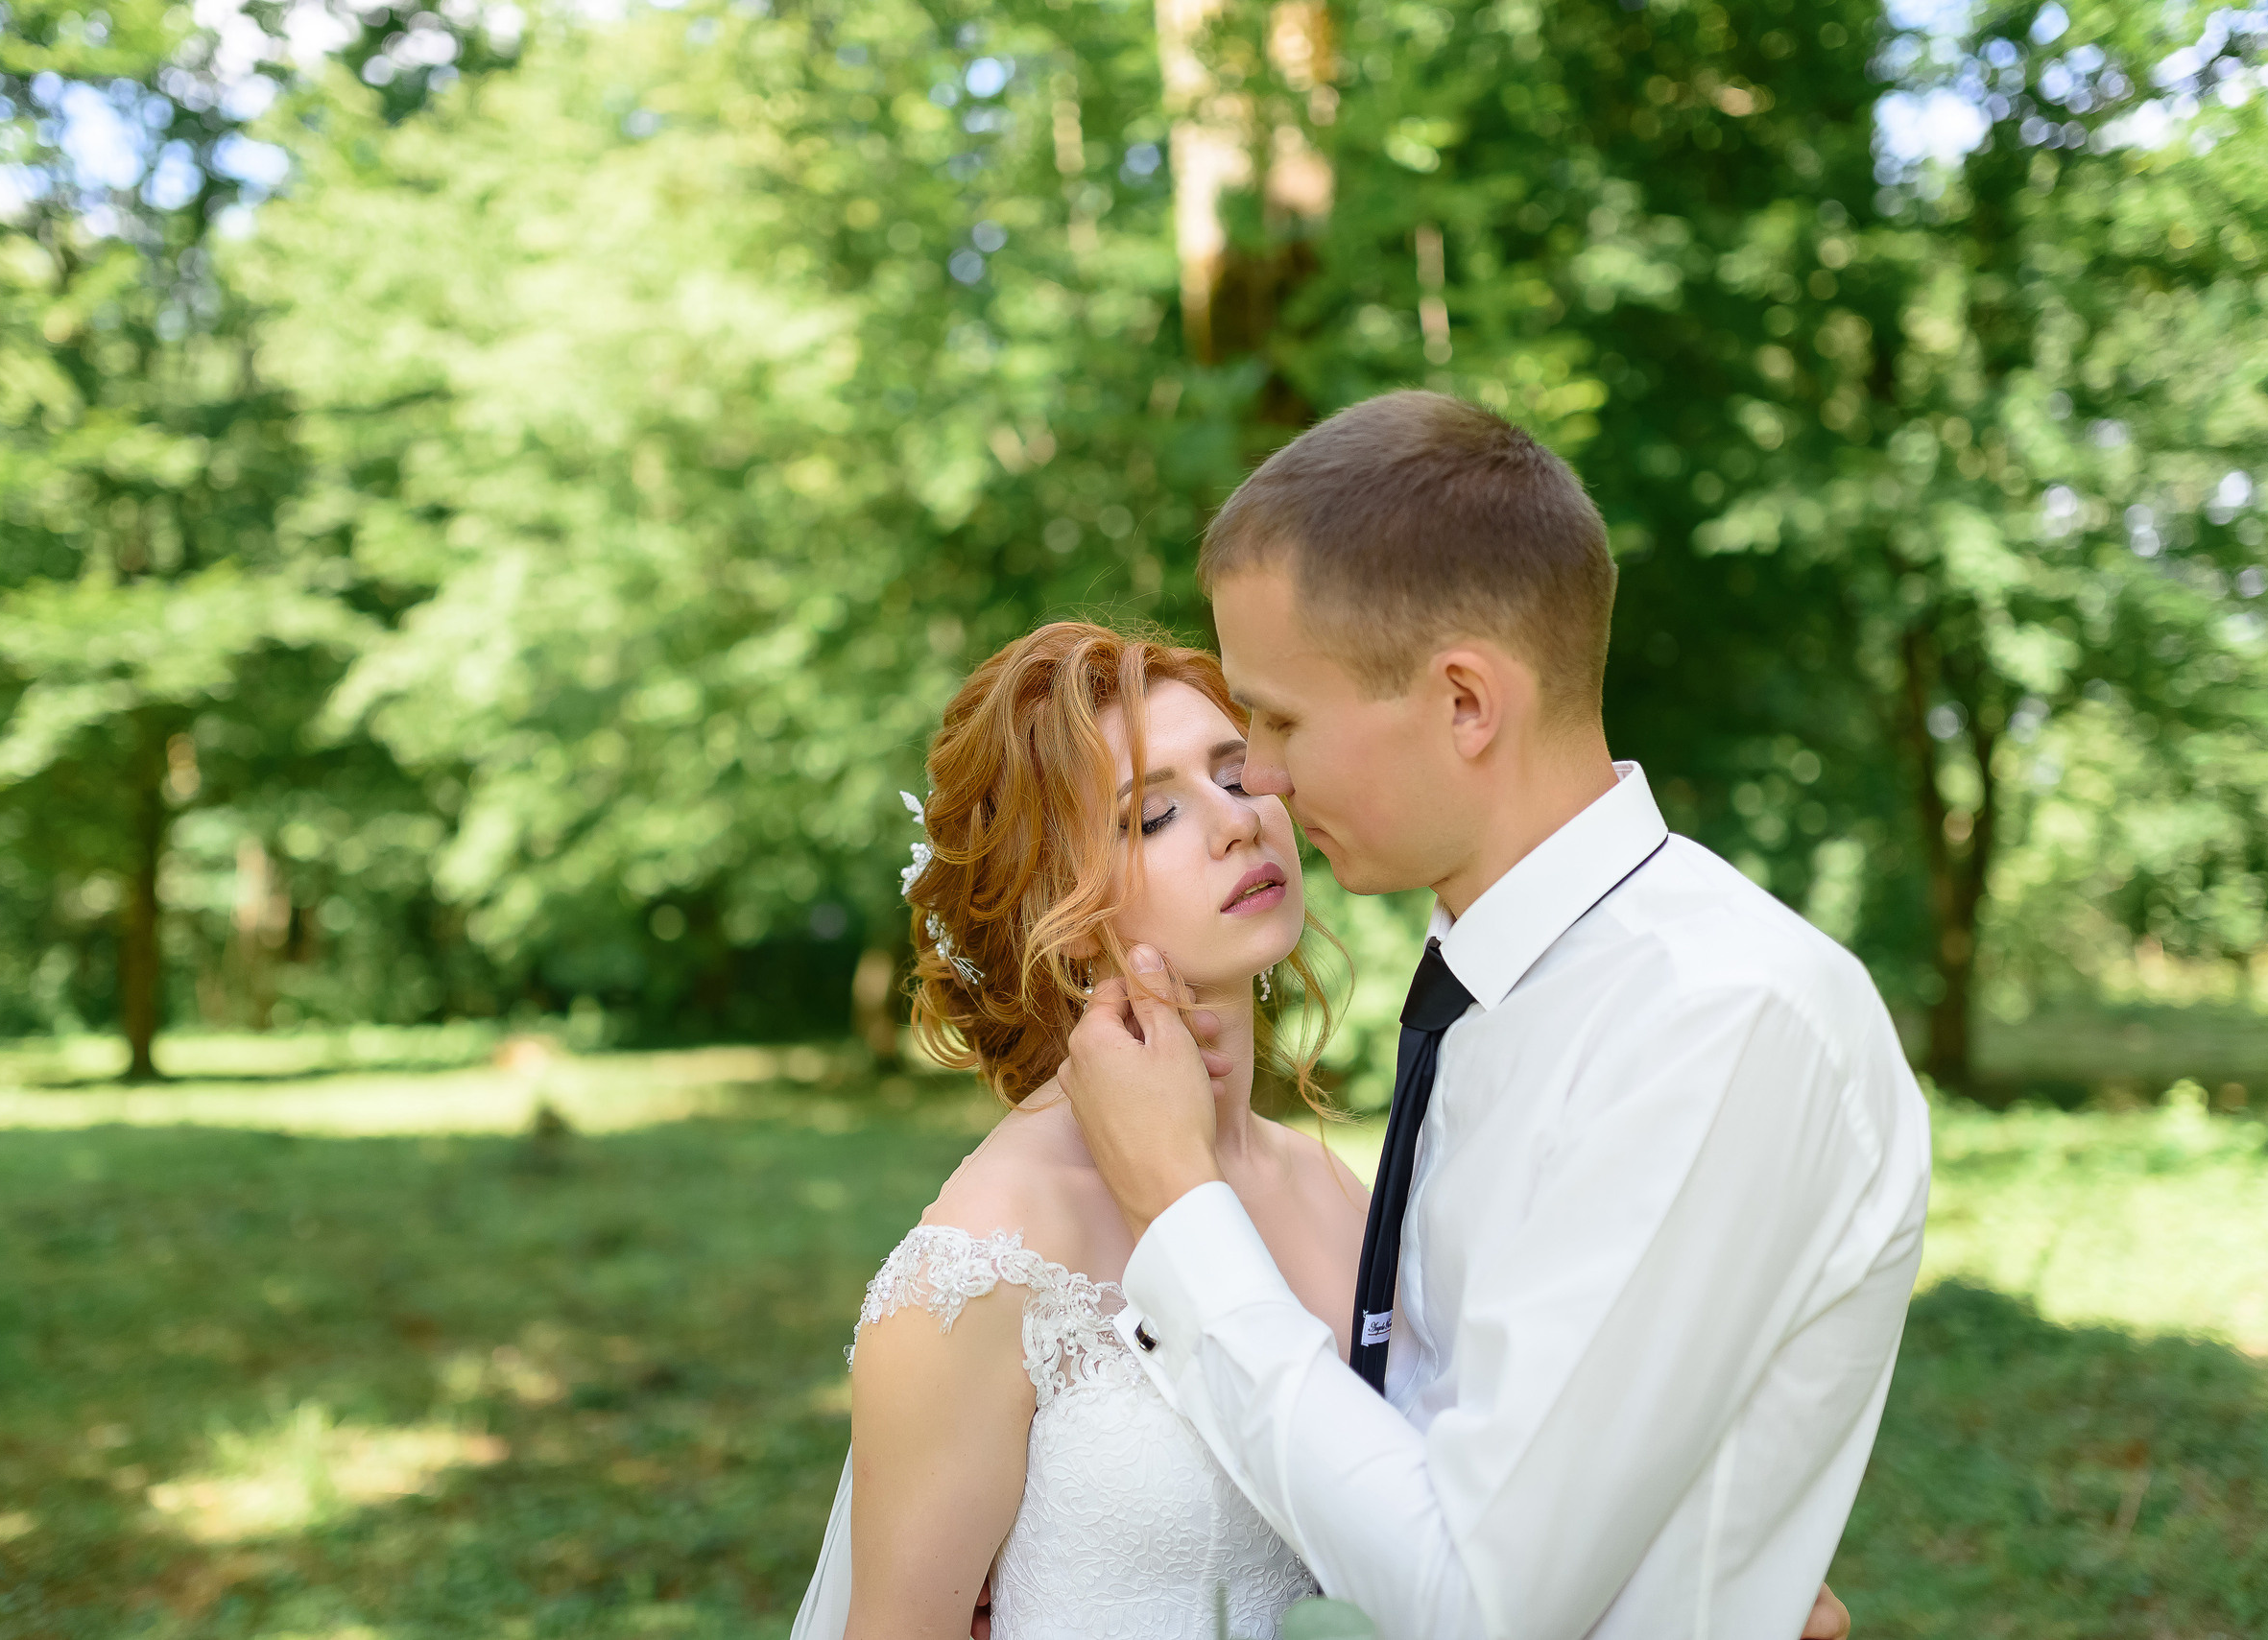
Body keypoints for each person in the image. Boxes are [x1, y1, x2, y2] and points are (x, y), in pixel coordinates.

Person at [1057, 392, 1930, 1640]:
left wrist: (1177, 1212)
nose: (1265, 773)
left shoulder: (1720, 1019)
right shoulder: (1497, 976)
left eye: (1283, 717)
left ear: (1466, 701)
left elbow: (1477, 1603)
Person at [794, 623, 1371, 1640]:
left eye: (1236, 774)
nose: (1235, 822)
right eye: (1151, 815)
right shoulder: (982, 1258)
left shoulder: (1336, 1188)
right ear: (1047, 902)